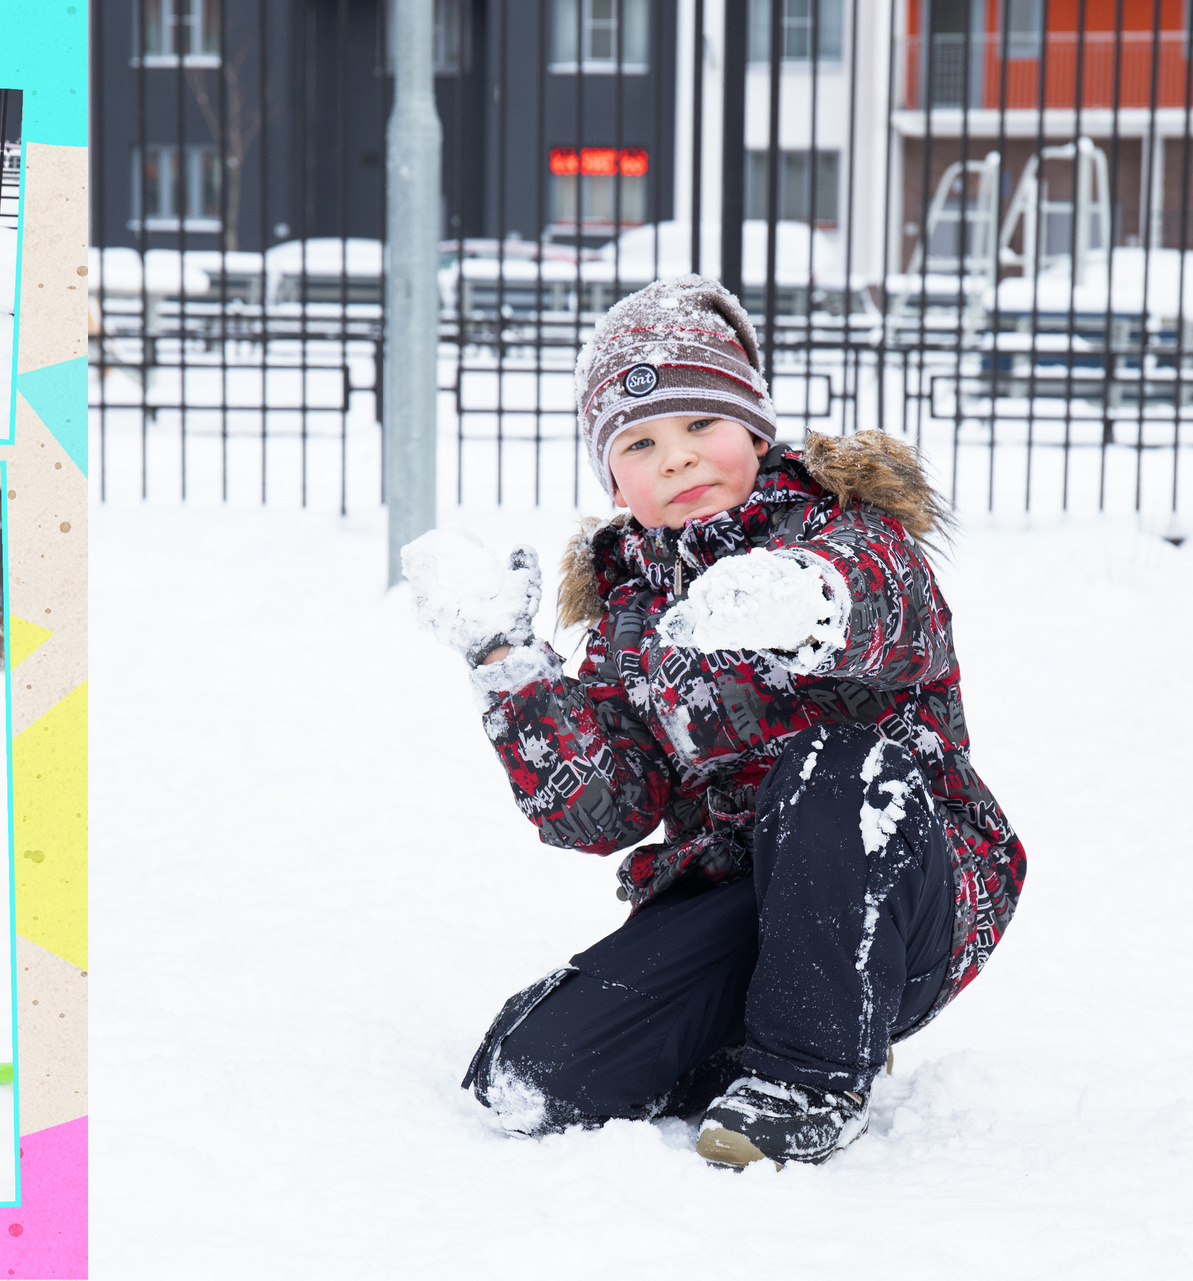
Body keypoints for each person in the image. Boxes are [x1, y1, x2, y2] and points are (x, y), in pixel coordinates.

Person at [404, 276, 1025, 1170]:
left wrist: (806, 595)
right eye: (642, 443)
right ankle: (763, 1029)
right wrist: (509, 667)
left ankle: (812, 1073)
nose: (679, 459)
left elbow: (896, 608)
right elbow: (606, 810)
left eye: (702, 426)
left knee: (832, 764)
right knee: (529, 1074)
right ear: (614, 479)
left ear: (754, 424)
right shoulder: (628, 609)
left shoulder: (844, 530)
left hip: (909, 884)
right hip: (746, 898)